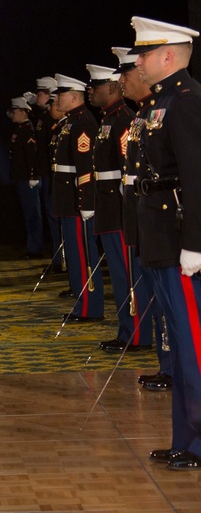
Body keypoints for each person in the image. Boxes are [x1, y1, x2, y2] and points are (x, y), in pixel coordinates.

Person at [127, 16, 201, 471]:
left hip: (179, 243)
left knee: (193, 345)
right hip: (159, 238)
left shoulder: (187, 103)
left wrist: (195, 242)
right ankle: (185, 438)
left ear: (169, 55)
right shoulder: (161, 102)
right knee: (179, 342)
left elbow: (196, 178)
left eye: (146, 53)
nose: (139, 60)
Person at [113, 45, 171, 391]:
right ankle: (168, 364)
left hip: (161, 218)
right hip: (142, 214)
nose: (123, 79)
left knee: (168, 301)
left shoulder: (164, 110)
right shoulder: (141, 115)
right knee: (157, 295)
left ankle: (174, 365)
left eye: (128, 72)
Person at [85, 63, 139, 352]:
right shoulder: (107, 119)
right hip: (107, 206)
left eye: (97, 85)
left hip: (119, 208)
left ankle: (136, 334)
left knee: (127, 275)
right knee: (118, 275)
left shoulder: (122, 119)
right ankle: (126, 330)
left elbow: (126, 170)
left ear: (114, 87)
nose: (91, 90)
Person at [51, 74, 101, 321]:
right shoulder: (70, 121)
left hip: (76, 199)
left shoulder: (82, 122)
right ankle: (83, 304)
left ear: (73, 97)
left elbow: (85, 167)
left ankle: (90, 307)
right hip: (66, 197)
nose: (56, 99)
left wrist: (85, 201)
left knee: (83, 255)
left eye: (60, 95)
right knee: (74, 252)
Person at [33, 77, 63, 271]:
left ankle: (62, 260)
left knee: (57, 221)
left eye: (42, 92)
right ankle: (58, 259)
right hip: (48, 175)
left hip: (56, 177)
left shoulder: (54, 121)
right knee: (52, 220)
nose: (38, 96)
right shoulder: (45, 118)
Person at [7, 96, 42, 258]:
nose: (12, 114)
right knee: (28, 215)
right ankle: (32, 247)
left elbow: (32, 155)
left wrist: (33, 175)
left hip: (28, 179)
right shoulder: (20, 129)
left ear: (23, 112)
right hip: (21, 178)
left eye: (14, 111)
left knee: (33, 215)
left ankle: (35, 249)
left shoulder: (28, 130)